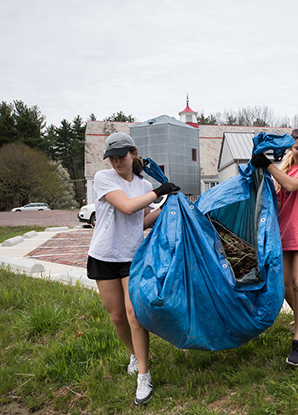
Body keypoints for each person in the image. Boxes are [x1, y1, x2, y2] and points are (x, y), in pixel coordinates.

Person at [86, 132, 179, 404]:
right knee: (117, 317)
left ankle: (143, 375)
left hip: (131, 256)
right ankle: (134, 354)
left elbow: (141, 221)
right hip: (103, 255)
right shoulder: (104, 179)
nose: (116, 162)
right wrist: (158, 192)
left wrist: (168, 205)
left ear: (133, 153)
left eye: (121, 156)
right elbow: (126, 207)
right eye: (111, 157)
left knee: (134, 314)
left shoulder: (143, 184)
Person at [251, 128, 298, 366]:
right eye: (297, 148)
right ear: (291, 149)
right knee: (283, 286)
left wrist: (268, 165)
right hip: (282, 235)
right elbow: (275, 198)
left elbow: (293, 186)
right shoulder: (284, 170)